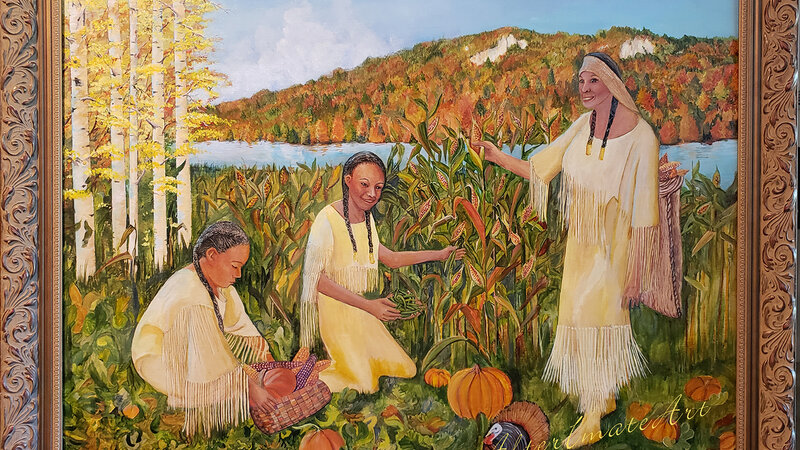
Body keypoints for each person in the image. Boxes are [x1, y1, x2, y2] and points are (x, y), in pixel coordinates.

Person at [473, 52, 662, 447]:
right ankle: (603, 396)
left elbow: (646, 215)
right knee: (576, 318)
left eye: (593, 80)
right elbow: (541, 167)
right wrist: (497, 156)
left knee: (600, 320)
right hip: (582, 244)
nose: (585, 88)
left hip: (617, 248)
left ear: (612, 83)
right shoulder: (583, 126)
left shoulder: (643, 137)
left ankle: (592, 417)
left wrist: (636, 275)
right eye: (581, 81)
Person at [300, 151, 465, 393]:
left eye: (378, 188)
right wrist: (371, 306)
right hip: (338, 316)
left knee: (407, 369)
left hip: (362, 314)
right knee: (366, 386)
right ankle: (302, 380)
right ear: (347, 181)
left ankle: (337, 370)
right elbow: (318, 281)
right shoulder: (327, 219)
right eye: (364, 185)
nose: (371, 194)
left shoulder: (367, 220)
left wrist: (440, 254)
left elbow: (392, 259)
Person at [131, 221, 278, 437]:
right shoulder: (189, 291)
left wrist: (272, 365)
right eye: (234, 266)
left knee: (249, 375)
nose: (238, 275)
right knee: (236, 384)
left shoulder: (218, 284)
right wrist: (250, 386)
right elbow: (210, 353)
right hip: (163, 364)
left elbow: (243, 327)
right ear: (211, 255)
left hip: (186, 356)